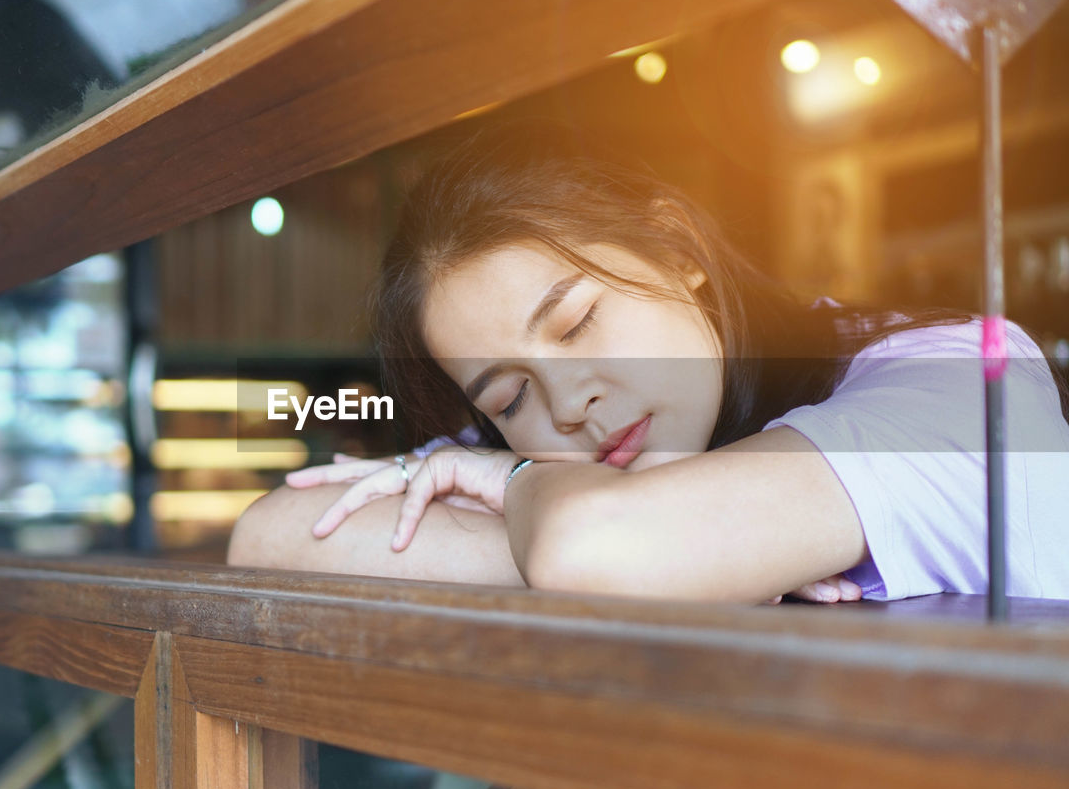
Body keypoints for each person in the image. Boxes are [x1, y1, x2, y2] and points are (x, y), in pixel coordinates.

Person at [228, 121, 1069, 604]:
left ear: (675, 246)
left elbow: (595, 547)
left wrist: (548, 502)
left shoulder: (956, 377)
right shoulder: (549, 460)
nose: (566, 407)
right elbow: (268, 535)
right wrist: (693, 551)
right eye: (510, 395)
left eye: (578, 321)